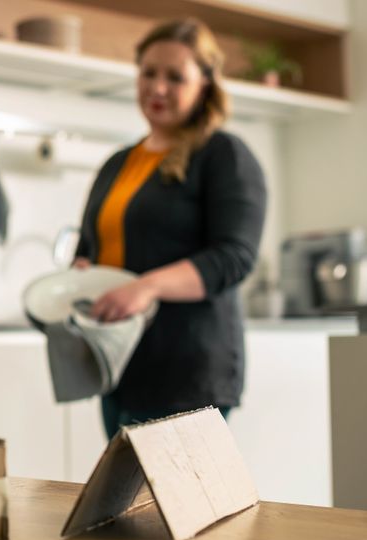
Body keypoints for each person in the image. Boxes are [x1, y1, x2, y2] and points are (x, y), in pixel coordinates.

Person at [71, 18, 266, 440]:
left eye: (175, 77)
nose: (157, 87)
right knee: (125, 486)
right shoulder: (118, 163)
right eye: (149, 73)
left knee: (175, 487)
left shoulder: (223, 154)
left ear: (204, 84)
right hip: (119, 365)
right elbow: (89, 246)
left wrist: (147, 287)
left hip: (187, 372)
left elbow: (234, 257)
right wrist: (80, 274)